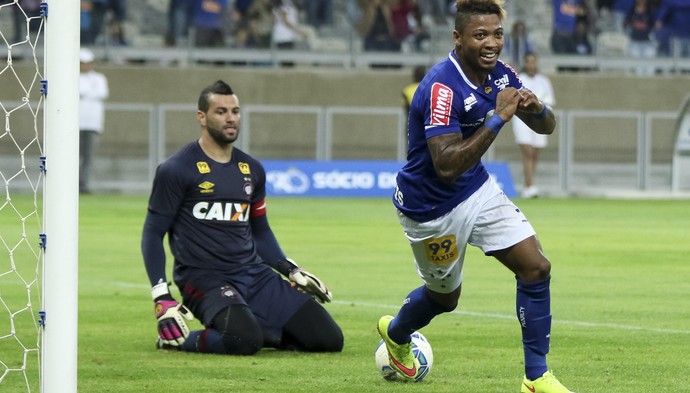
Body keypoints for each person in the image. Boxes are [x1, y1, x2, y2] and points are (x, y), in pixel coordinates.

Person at [376, 1, 575, 392]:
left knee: (536, 267)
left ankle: (535, 378)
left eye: (497, 34)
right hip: (430, 208)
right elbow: (446, 165)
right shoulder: (440, 87)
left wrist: (537, 109)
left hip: (477, 190)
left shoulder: (502, 75)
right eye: (480, 35)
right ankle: (397, 333)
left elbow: (548, 127)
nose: (491, 44)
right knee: (444, 299)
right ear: (458, 38)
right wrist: (497, 119)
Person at [141, 80, 343, 355]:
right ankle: (175, 341)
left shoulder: (252, 169)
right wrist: (161, 296)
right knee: (242, 341)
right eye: (221, 111)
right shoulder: (176, 169)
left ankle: (258, 333)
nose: (231, 118)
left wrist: (291, 270)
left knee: (328, 339)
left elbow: (260, 232)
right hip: (204, 279)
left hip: (254, 275)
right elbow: (153, 233)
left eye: (235, 111)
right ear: (202, 117)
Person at [512, 52, 556, 198]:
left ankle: (527, 185)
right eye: (529, 61)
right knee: (527, 151)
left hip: (539, 119)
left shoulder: (544, 81)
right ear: (525, 63)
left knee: (535, 153)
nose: (531, 64)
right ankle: (530, 186)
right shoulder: (519, 80)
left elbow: (550, 100)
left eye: (533, 61)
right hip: (523, 120)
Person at [78, 48, 109, 194]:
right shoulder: (72, 77)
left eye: (88, 63)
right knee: (73, 156)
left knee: (88, 157)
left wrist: (85, 94)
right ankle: (72, 184)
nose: (85, 66)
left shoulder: (99, 78)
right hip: (76, 124)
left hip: (93, 123)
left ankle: (84, 184)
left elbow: (102, 93)